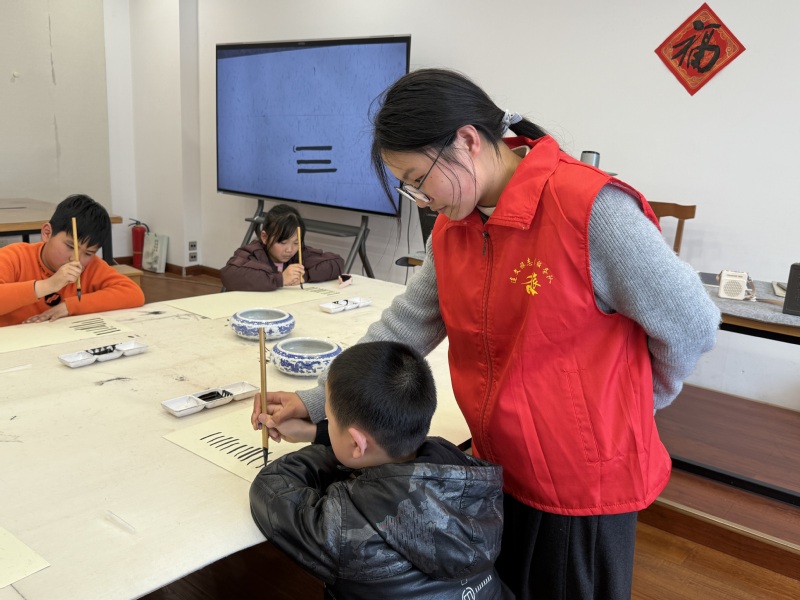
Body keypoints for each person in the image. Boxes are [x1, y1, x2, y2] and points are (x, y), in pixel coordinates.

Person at [252, 68, 721, 599]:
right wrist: (319, 401)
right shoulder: (455, 225)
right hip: (496, 468)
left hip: (579, 485)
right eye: (408, 186)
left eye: (418, 178)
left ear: (468, 141)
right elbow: (404, 326)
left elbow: (691, 322)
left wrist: (636, 402)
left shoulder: (589, 208)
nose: (420, 198)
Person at [249, 341, 512, 600]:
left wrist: (329, 442)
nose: (326, 423)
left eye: (328, 418)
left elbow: (271, 486)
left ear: (357, 444)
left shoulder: (346, 528)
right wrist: (319, 433)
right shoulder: (462, 468)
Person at [0, 194, 145, 326]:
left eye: (88, 253)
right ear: (47, 233)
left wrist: (70, 306)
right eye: (70, 246)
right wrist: (49, 284)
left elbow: (133, 294)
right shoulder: (14, 257)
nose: (76, 259)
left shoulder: (91, 266)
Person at [220, 203, 344, 291]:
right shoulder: (254, 253)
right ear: (265, 237)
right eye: (282, 242)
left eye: (296, 242)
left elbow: (337, 262)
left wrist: (303, 276)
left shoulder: (299, 253)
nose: (289, 250)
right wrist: (281, 279)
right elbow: (229, 274)